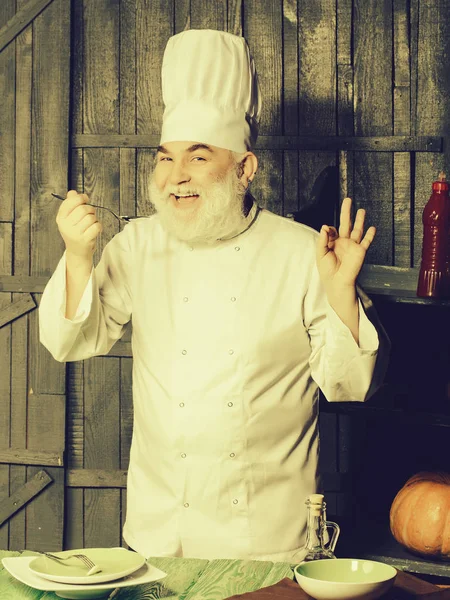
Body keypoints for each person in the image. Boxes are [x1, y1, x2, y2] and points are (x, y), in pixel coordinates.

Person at [39, 29, 389, 562]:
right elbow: (71, 341)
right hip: (157, 536)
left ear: (244, 168)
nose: (176, 178)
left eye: (198, 158)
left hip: (264, 547)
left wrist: (341, 293)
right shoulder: (138, 244)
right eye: (165, 159)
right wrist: (79, 255)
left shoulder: (303, 253)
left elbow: (349, 386)